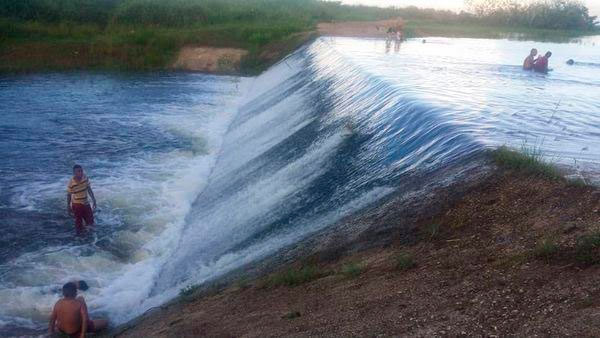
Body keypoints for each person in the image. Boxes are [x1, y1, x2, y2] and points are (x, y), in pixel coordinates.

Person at [67, 165, 96, 233]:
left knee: (91, 221)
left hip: (86, 202)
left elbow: (89, 189)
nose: (81, 172)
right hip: (77, 204)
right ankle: (79, 238)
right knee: (78, 223)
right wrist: (68, 206)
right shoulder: (71, 183)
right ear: (74, 173)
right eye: (79, 171)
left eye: (81, 170)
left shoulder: (85, 177)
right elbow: (69, 195)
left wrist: (94, 199)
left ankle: (91, 237)